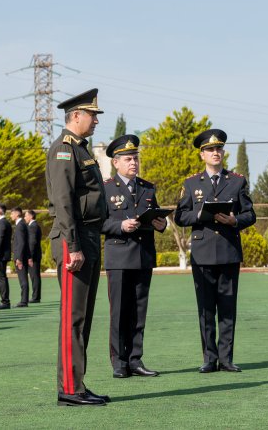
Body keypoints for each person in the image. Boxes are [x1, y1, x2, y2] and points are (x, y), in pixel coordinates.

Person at [46, 88, 109, 406]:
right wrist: (72, 246)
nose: (96, 120)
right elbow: (64, 202)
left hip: (87, 237)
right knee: (73, 317)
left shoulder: (81, 150)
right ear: (75, 116)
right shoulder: (64, 149)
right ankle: (69, 389)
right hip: (75, 240)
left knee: (82, 317)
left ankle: (78, 383)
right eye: (92, 115)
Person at [175, 129, 256, 373]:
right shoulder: (191, 184)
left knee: (228, 306)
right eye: (210, 150)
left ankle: (226, 358)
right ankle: (209, 358)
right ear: (202, 155)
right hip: (203, 252)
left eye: (219, 149)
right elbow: (180, 216)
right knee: (206, 308)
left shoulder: (237, 181)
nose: (215, 153)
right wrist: (199, 214)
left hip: (229, 250)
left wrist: (235, 221)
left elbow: (249, 213)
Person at [102, 134, 166, 379]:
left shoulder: (148, 188)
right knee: (119, 311)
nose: (133, 163)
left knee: (139, 312)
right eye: (128, 159)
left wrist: (160, 224)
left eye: (136, 158)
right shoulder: (106, 188)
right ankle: (119, 362)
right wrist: (120, 226)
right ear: (116, 163)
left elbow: (154, 216)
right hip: (118, 258)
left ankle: (135, 359)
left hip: (143, 256)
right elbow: (98, 222)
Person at [0, 203, 12, 310]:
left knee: (1, 278)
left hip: (0, 256)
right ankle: (5, 300)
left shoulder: (2, 224)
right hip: (2, 255)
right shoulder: (5, 223)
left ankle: (5, 301)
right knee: (2, 277)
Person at [11, 207, 30, 307]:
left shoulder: (20, 225)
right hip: (22, 256)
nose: (10, 216)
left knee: (23, 279)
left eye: (12, 213)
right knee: (23, 279)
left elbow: (21, 243)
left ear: (17, 214)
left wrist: (19, 258)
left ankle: (24, 301)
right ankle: (24, 300)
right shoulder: (21, 224)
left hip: (20, 257)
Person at [25, 210, 42, 304]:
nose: (25, 217)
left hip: (33, 256)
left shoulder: (33, 226)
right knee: (34, 276)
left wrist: (29, 256)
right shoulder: (34, 226)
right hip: (35, 255)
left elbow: (32, 242)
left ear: (31, 216)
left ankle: (35, 297)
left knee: (34, 276)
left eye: (26, 216)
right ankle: (36, 296)